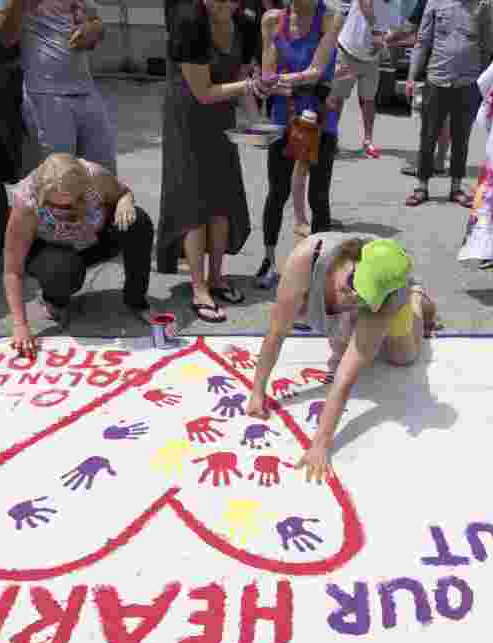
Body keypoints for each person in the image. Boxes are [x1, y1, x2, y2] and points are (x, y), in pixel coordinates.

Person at [246, 234, 439, 483]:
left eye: (364, 293)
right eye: (352, 280)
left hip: (395, 296)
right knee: (338, 334)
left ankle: (417, 299)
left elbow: (345, 377)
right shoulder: (306, 258)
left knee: (403, 356)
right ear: (347, 256)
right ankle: (353, 318)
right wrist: (257, 391)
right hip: (331, 274)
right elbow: (277, 331)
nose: (352, 293)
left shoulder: (385, 295)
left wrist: (320, 444)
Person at [158, 0, 267, 323]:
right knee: (195, 202)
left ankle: (218, 278)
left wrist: (258, 123)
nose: (221, 2)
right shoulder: (189, 22)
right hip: (186, 119)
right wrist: (250, 85)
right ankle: (198, 287)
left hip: (221, 117)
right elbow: (203, 92)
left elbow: (244, 77)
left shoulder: (246, 24)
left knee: (222, 197)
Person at [4, 153, 155, 359]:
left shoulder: (95, 175)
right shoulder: (26, 203)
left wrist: (124, 203)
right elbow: (12, 270)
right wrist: (20, 325)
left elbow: (123, 193)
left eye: (79, 199)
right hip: (52, 252)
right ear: (42, 196)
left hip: (91, 239)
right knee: (63, 269)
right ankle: (53, 300)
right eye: (61, 207)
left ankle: (135, 299)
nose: (71, 209)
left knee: (138, 222)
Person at [254, 0, 345, 289]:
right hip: (283, 116)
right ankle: (269, 259)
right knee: (277, 191)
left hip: (320, 117)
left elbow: (316, 71)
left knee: (318, 196)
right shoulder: (271, 20)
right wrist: (279, 82)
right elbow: (267, 77)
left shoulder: (331, 18)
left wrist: (277, 82)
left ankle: (321, 267)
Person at [404, 0, 493, 208]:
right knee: (428, 135)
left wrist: (482, 79)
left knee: (461, 137)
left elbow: (491, 45)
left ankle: (456, 188)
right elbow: (422, 42)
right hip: (437, 79)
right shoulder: (434, 3)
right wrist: (411, 77)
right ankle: (421, 186)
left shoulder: (483, 5)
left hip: (468, 83)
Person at [3, 0, 117, 174]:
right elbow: (5, 37)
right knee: (60, 184)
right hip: (46, 96)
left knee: (104, 180)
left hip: (86, 92)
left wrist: (93, 30)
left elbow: (96, 21)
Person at [325, 0, 402, 159]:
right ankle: (331, 138)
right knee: (337, 98)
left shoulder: (395, 3)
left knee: (368, 100)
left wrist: (384, 41)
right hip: (348, 51)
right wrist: (375, 31)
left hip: (371, 59)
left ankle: (368, 141)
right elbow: (364, 4)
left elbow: (396, 29)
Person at [391, 0, 452, 177]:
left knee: (430, 118)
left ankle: (426, 164)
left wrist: (388, 38)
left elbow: (410, 28)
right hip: (456, 65)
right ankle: (439, 161)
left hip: (435, 64)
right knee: (445, 117)